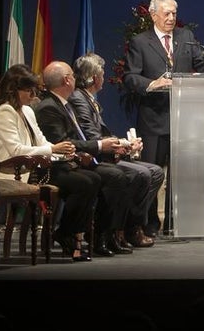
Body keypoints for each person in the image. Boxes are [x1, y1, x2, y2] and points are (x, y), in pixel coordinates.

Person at [121, 0, 204, 239]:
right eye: (167, 13)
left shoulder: (186, 38)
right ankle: (149, 224)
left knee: (182, 175)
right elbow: (130, 77)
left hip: (186, 120)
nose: (172, 18)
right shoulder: (141, 42)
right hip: (154, 119)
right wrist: (154, 84)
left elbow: (202, 65)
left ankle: (176, 224)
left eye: (174, 13)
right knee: (151, 173)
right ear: (153, 15)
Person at [0, 63, 100, 262]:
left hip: (37, 168)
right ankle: (65, 233)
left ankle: (66, 231)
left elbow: (42, 142)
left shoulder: (28, 111)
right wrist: (53, 149)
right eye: (28, 90)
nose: (33, 95)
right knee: (83, 184)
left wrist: (67, 153)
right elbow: (16, 151)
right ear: (14, 89)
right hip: (14, 171)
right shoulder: (5, 112)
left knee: (92, 178)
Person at [36, 60, 135, 257]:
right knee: (99, 179)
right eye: (72, 75)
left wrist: (87, 152)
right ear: (67, 80)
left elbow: (73, 141)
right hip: (51, 168)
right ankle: (74, 233)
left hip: (73, 161)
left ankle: (99, 234)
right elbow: (61, 143)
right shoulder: (49, 107)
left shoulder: (63, 104)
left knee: (108, 177)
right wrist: (98, 146)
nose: (76, 79)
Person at [69, 52, 164, 250]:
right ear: (95, 77)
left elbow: (102, 132)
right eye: (102, 73)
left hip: (105, 152)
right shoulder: (79, 99)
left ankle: (130, 226)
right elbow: (91, 136)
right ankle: (121, 229)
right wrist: (121, 146)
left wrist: (126, 144)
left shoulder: (89, 98)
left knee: (155, 172)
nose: (103, 77)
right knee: (142, 173)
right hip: (93, 158)